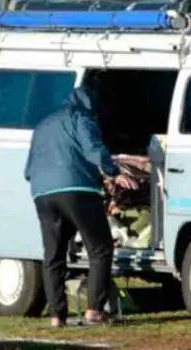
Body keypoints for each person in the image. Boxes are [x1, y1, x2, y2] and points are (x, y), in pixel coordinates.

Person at [23, 81, 137, 328]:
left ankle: (57, 316)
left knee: (53, 255)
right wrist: (113, 172)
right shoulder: (81, 117)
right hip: (78, 189)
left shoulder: (43, 125)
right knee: (100, 248)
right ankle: (94, 311)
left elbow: (28, 170)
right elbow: (93, 149)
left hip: (42, 193)